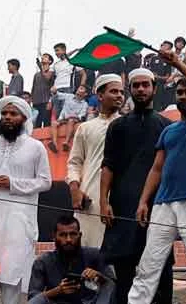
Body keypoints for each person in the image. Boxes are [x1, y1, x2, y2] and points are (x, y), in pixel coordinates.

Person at [127, 49, 186, 304]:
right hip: (163, 203)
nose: (183, 96)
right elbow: (156, 168)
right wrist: (143, 201)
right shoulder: (169, 131)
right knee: (148, 266)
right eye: (180, 92)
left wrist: (178, 63)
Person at [100, 60, 173, 304]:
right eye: (136, 86)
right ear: (131, 90)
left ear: (154, 88)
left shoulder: (167, 126)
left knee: (161, 273)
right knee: (125, 275)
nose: (141, 89)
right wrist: (103, 201)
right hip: (122, 207)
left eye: (145, 85)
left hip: (158, 208)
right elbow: (108, 165)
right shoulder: (118, 126)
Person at [0, 95, 53, 304]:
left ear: (24, 118)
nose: (8, 117)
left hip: (19, 220)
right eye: (5, 114)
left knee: (11, 277)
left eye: (13, 114)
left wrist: (13, 183)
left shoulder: (36, 147)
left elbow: (46, 182)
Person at [67, 72, 125, 248]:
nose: (119, 96)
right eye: (114, 91)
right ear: (100, 96)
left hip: (121, 198)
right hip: (90, 199)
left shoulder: (128, 125)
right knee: (88, 250)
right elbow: (74, 163)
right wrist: (75, 189)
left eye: (121, 92)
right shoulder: (85, 128)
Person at [28, 215, 117, 304]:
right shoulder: (43, 262)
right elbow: (33, 300)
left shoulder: (95, 255)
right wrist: (57, 291)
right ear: (54, 237)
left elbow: (112, 285)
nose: (68, 240)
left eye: (73, 234)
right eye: (63, 235)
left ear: (80, 235)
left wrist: (99, 277)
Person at [31, 53, 55, 127]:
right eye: (42, 57)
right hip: (36, 102)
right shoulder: (36, 74)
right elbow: (33, 87)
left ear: (50, 61)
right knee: (36, 123)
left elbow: (48, 79)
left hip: (46, 101)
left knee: (46, 123)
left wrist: (50, 101)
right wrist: (32, 99)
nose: (42, 58)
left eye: (45, 57)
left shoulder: (52, 72)